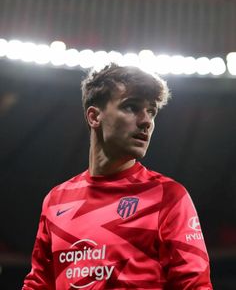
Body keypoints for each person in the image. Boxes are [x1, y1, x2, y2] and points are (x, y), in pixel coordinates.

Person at [23, 63, 212, 289]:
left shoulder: (168, 196)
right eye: (131, 107)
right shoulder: (56, 200)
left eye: (151, 111)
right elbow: (39, 284)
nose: (146, 121)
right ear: (94, 117)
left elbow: (195, 284)